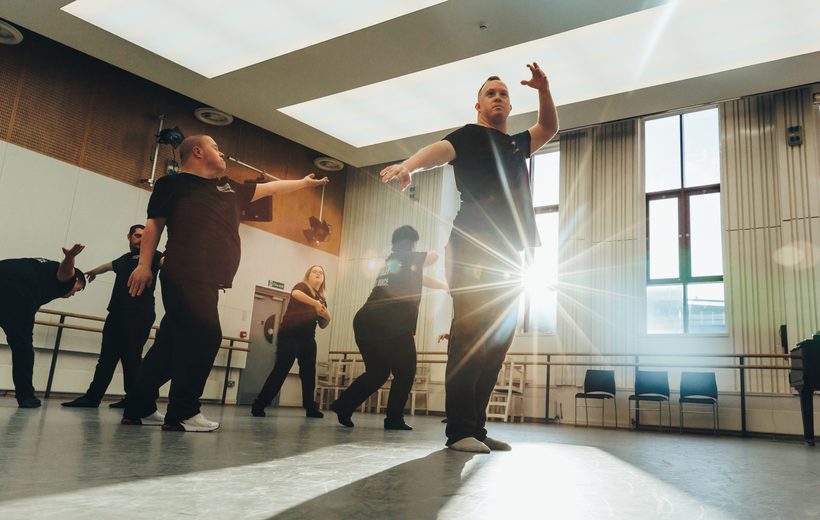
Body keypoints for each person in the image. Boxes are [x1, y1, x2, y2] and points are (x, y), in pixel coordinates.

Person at [380, 63, 559, 452]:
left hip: (512, 253)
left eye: (504, 94)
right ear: (478, 104)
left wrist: (544, 90)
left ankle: (476, 428)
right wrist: (409, 166)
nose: (498, 98)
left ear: (510, 106)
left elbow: (548, 128)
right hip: (474, 244)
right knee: (469, 338)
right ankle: (459, 429)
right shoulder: (469, 136)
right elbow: (437, 153)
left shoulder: (516, 145)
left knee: (496, 345)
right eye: (491, 93)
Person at [123, 134, 328, 432]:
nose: (223, 154)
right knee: (205, 337)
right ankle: (182, 412)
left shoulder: (228, 187)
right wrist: (144, 265)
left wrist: (303, 183)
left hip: (208, 279)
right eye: (216, 148)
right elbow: (155, 224)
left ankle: (138, 407)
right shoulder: (172, 185)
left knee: (168, 346)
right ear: (197, 152)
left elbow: (270, 187)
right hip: (186, 271)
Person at [329, 225, 446, 430]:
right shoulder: (405, 256)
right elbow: (433, 257)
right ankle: (393, 419)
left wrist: (444, 286)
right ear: (411, 242)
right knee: (405, 372)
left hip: (366, 321)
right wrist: (437, 249)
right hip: (390, 323)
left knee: (378, 371)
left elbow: (423, 278)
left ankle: (344, 405)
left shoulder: (393, 263)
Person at [62, 225, 163, 409]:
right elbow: (108, 266)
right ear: (129, 237)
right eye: (137, 236)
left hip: (139, 315)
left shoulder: (154, 256)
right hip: (116, 314)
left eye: (145, 236)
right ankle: (92, 398)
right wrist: (93, 272)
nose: (141, 239)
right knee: (106, 358)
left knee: (132, 357)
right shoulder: (124, 259)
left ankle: (134, 399)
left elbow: (168, 262)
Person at [0, 244, 86, 408]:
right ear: (76, 280)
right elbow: (66, 273)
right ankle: (26, 397)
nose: (73, 293)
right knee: (23, 350)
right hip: (15, 297)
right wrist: (70, 257)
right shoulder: (66, 278)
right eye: (77, 289)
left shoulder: (42, 270)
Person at [251, 265, 331, 418]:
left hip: (308, 339)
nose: (318, 274)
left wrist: (328, 317)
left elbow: (322, 324)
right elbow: (295, 293)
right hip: (290, 335)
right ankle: (259, 404)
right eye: (314, 271)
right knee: (281, 370)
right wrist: (314, 304)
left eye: (321, 273)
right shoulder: (303, 287)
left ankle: (310, 408)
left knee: (309, 374)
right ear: (308, 275)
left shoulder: (322, 299)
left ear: (323, 279)